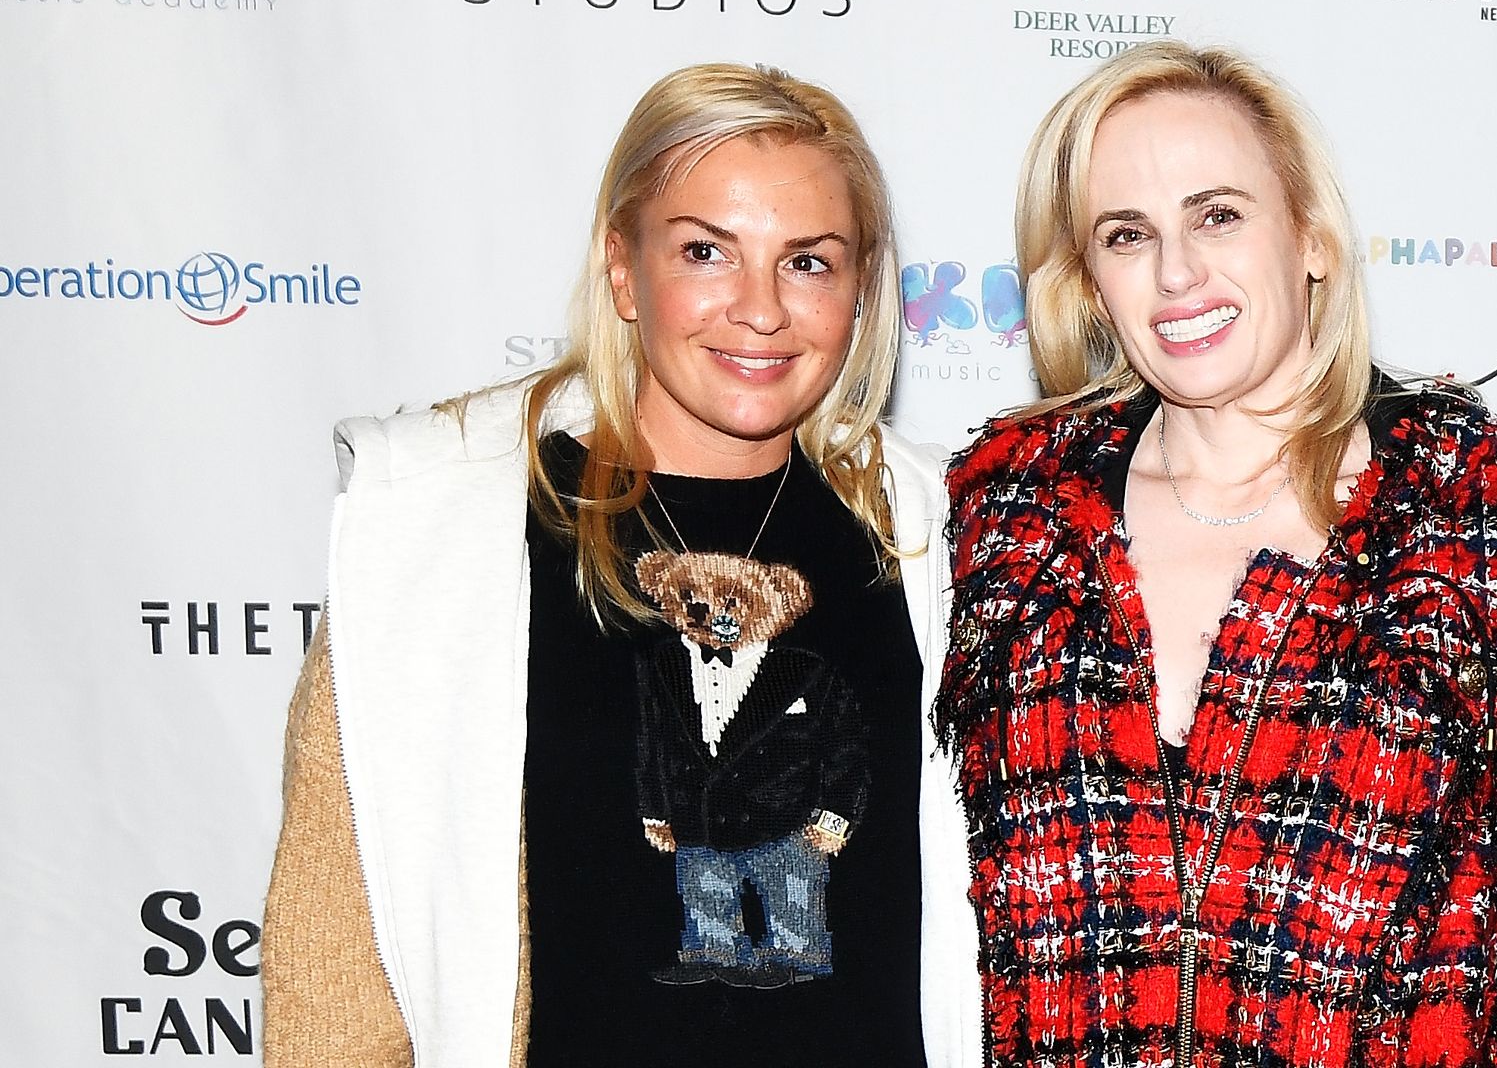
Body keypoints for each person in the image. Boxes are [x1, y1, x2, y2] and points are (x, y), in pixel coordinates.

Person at [934, 42, 1497, 1068]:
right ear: (1091, 284)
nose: (1177, 271)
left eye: (1218, 215)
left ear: (1312, 238)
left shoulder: (1482, 521)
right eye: (1127, 234)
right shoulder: (1007, 517)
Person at [260, 63, 980, 1068]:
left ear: (861, 288)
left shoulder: (944, 542)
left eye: (809, 262)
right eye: (705, 252)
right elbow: (334, 971)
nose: (761, 309)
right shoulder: (442, 534)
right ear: (623, 268)